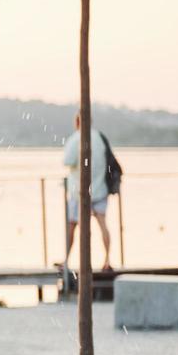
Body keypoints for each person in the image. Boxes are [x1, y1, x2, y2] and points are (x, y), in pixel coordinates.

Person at [62, 111, 114, 272]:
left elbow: (67, 161)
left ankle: (66, 262)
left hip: (79, 192)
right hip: (100, 189)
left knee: (72, 225)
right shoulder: (100, 138)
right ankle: (107, 260)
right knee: (103, 224)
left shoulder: (75, 138)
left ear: (77, 123)